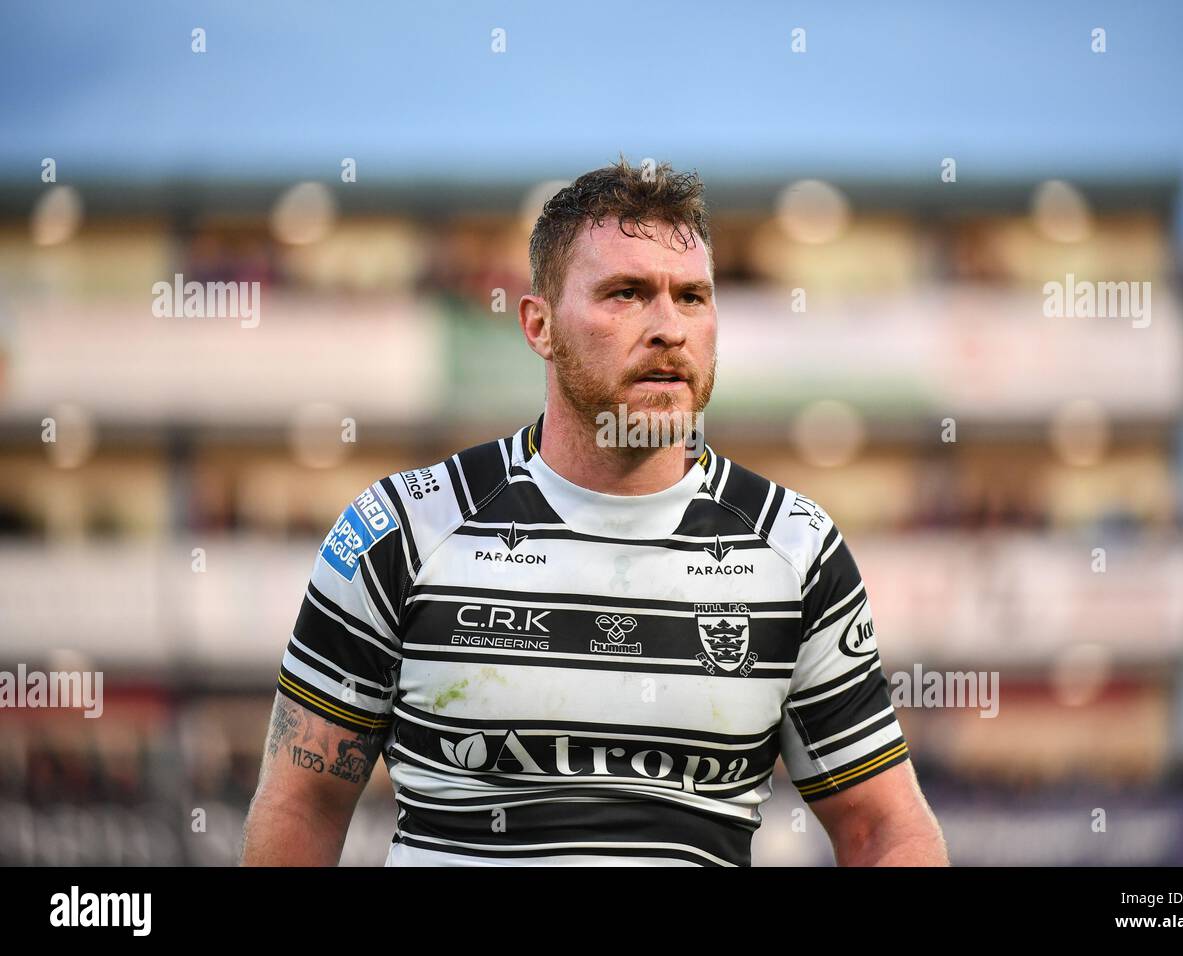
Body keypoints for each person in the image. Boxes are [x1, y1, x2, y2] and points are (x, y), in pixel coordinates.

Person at [240, 157, 948, 866]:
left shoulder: (796, 549)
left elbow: (884, 827)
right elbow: (302, 803)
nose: (669, 327)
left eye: (693, 298)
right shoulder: (400, 530)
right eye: (626, 293)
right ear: (539, 325)